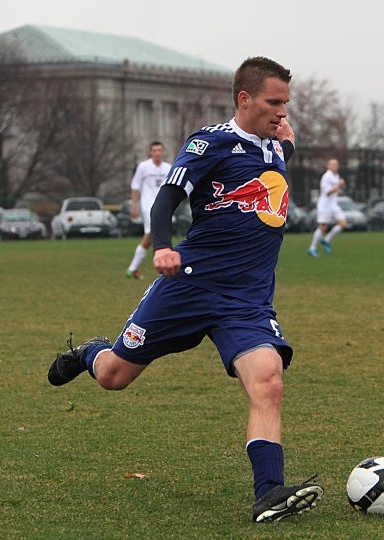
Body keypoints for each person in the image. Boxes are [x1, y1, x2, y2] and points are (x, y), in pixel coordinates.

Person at [48, 57, 323, 522]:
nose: (282, 112)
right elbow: (166, 199)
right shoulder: (209, 142)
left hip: (247, 300)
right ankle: (90, 353)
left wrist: (287, 141)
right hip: (190, 285)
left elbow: (277, 160)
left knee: (268, 382)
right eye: (274, 102)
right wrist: (162, 247)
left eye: (286, 103)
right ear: (244, 99)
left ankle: (269, 495)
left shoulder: (276, 147)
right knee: (116, 375)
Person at [126, 141, 172, 279]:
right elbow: (135, 186)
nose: (157, 153)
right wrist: (134, 205)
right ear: (151, 152)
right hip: (148, 206)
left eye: (159, 150)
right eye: (154, 150)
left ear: (163, 152)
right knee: (152, 233)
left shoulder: (168, 168)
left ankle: (135, 268)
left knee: (155, 235)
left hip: (163, 207)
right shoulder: (143, 167)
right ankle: (135, 268)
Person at [308, 159, 346, 257]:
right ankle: (312, 248)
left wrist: (338, 191)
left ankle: (326, 240)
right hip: (325, 205)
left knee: (343, 224)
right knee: (323, 227)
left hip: (333, 205)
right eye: (333, 164)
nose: (335, 166)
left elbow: (333, 191)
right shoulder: (326, 177)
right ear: (328, 166)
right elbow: (327, 192)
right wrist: (338, 186)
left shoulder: (336, 176)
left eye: (336, 164)